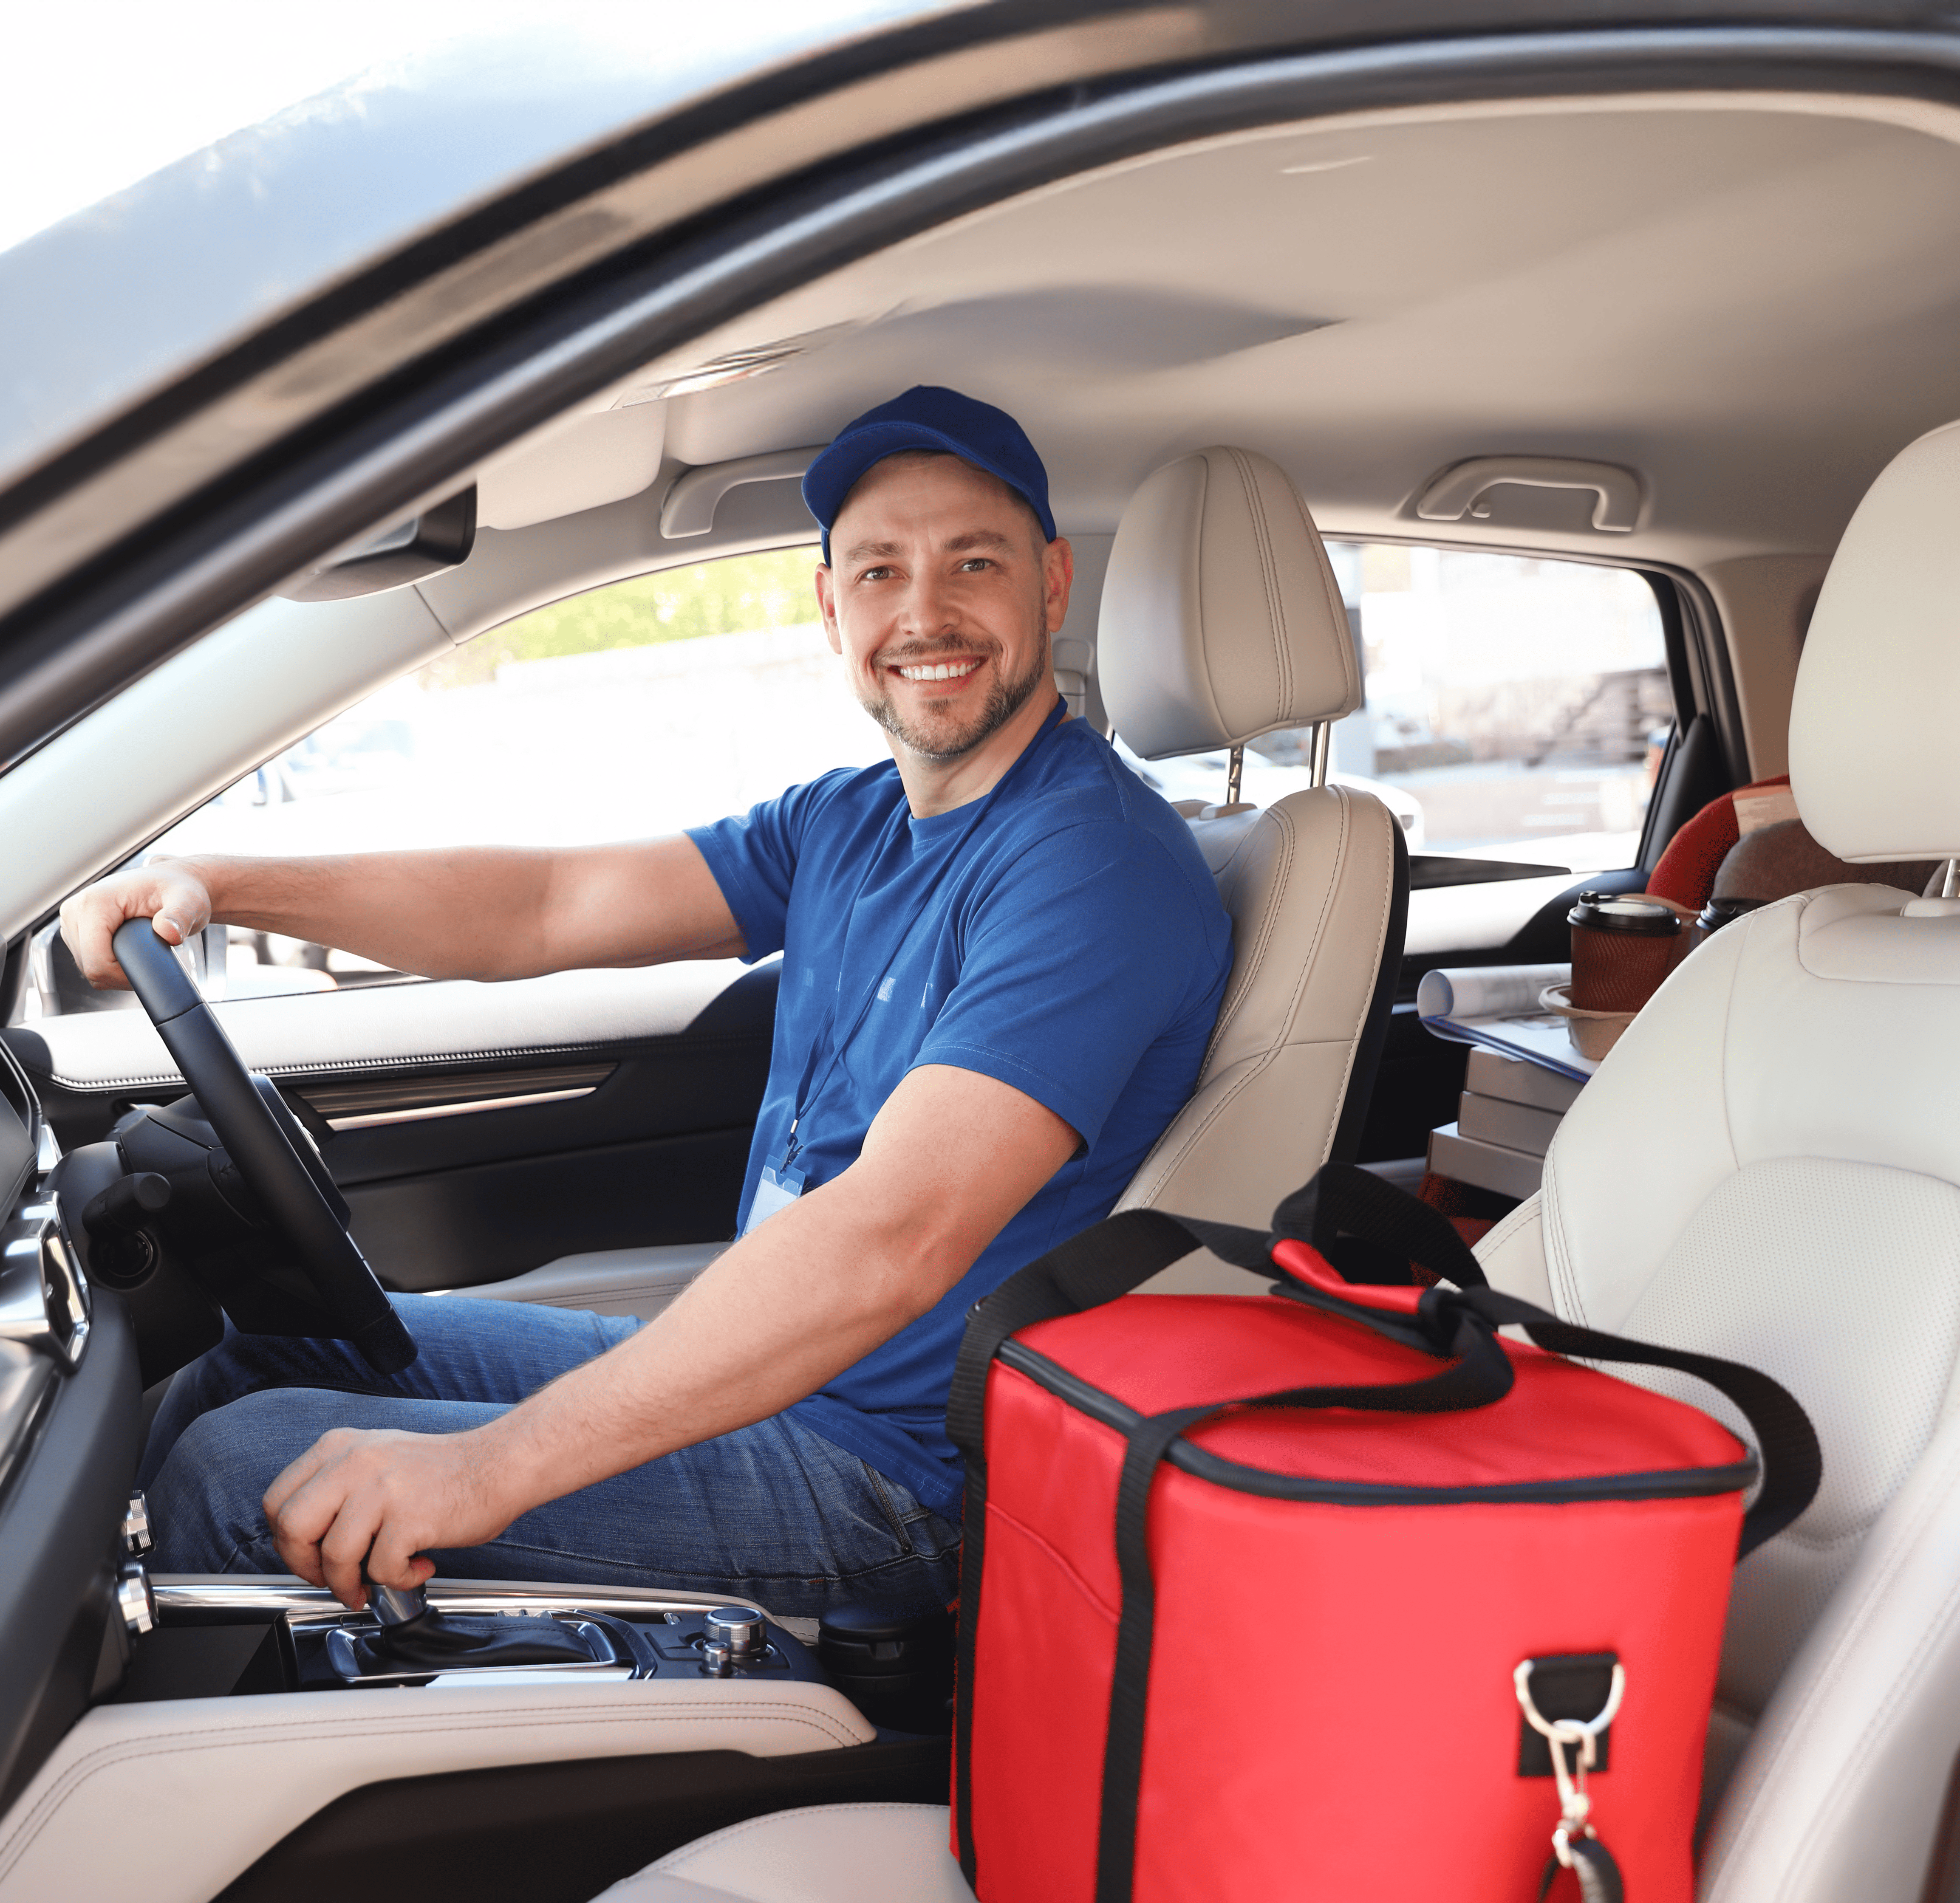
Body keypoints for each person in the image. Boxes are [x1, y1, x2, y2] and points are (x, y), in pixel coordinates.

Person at [66, 387, 1233, 1617]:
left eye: (973, 562)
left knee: (237, 1471)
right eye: (880, 571)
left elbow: (896, 1239)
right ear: (832, 608)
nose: (924, 613)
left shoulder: (1090, 864)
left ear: (1051, 584)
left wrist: (489, 1471)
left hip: (893, 1485)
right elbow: (550, 906)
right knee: (252, 1359)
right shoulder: (852, 821)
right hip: (775, 1383)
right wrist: (220, 882)